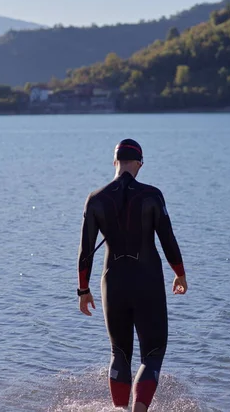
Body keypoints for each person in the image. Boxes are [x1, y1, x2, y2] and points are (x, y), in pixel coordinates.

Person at [76, 138, 188, 411]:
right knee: (152, 353)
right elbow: (168, 239)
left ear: (115, 162)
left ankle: (120, 410)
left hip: (112, 282)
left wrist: (83, 290)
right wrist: (180, 274)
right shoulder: (151, 196)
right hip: (147, 280)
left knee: (119, 353)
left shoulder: (96, 199)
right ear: (139, 163)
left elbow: (85, 252)